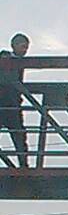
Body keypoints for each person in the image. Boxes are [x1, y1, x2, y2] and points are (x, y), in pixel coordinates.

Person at [0, 33, 30, 168]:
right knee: (19, 135)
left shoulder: (17, 61)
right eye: (23, 46)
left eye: (26, 47)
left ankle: (24, 165)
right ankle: (24, 165)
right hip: (6, 104)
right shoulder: (7, 58)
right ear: (14, 45)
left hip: (12, 105)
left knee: (20, 136)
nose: (25, 50)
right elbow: (10, 81)